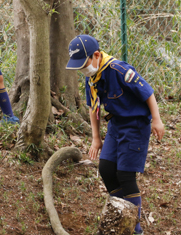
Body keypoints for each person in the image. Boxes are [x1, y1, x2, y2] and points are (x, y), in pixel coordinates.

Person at [66, 34, 164, 235]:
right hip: (115, 126)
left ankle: (135, 230)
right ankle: (121, 216)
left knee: (126, 175)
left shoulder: (119, 70)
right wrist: (96, 138)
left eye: (84, 64)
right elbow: (94, 109)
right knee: (107, 168)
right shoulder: (92, 78)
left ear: (95, 55)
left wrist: (157, 119)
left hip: (135, 125)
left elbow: (148, 92)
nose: (83, 69)